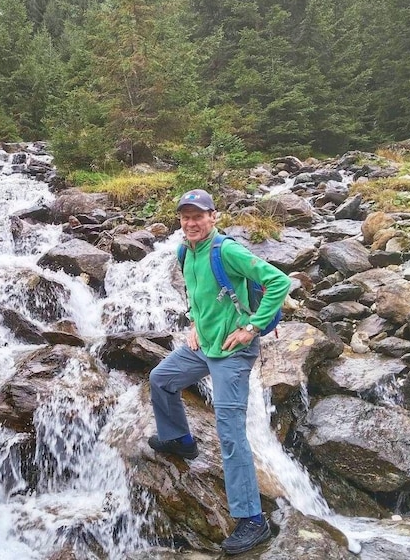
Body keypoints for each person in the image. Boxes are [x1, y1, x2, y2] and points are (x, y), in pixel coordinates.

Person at [148, 188, 291, 556]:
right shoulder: (185, 251)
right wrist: (194, 322)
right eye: (185, 217)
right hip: (204, 345)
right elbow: (196, 296)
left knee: (229, 431)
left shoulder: (226, 250)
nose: (191, 222)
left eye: (198, 216)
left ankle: (252, 520)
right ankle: (180, 439)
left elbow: (279, 281)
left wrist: (252, 327)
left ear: (214, 216)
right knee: (161, 379)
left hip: (233, 352)